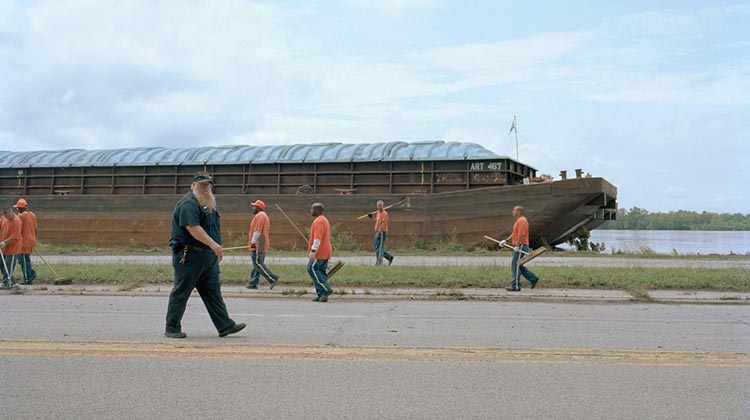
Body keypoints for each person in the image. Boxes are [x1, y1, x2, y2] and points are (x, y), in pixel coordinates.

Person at [164, 173, 246, 338]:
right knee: (181, 292)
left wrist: (214, 250)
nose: (205, 187)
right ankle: (172, 327)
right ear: (193, 185)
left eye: (208, 185)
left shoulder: (208, 204)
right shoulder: (188, 204)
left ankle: (225, 325)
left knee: (213, 292)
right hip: (190, 257)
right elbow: (193, 228)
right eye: (202, 185)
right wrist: (214, 245)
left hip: (208, 258)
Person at [498, 206, 539, 291]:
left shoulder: (522, 221)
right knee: (518, 265)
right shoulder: (519, 221)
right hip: (519, 245)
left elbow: (521, 234)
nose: (512, 211)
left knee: (515, 265)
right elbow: (515, 234)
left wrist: (517, 244)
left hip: (521, 245)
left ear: (519, 211)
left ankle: (515, 286)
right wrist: (506, 240)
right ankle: (533, 278)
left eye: (514, 210)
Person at [246, 199, 279, 289]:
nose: (253, 208)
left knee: (257, 262)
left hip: (259, 242)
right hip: (262, 241)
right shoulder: (263, 215)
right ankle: (253, 283)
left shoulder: (260, 216)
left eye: (254, 206)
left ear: (258, 208)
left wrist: (253, 242)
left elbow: (257, 230)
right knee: (257, 264)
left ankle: (272, 278)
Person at [307, 202, 333, 302]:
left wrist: (313, 251)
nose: (311, 211)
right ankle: (321, 294)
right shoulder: (324, 220)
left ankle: (326, 289)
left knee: (311, 269)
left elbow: (317, 238)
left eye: (312, 209)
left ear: (317, 211)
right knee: (320, 272)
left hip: (319, 252)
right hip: (325, 251)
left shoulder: (318, 221)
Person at [15, 199, 37, 284]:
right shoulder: (33, 215)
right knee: (26, 259)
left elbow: (18, 229)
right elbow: (35, 229)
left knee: (22, 260)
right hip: (31, 239)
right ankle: (31, 273)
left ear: (20, 208)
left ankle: (28, 278)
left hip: (24, 241)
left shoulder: (20, 217)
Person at [0, 207, 23, 289]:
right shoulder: (3, 218)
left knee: (8, 265)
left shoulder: (17, 221)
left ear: (11, 211)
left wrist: (4, 242)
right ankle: (11, 282)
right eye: (5, 214)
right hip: (3, 248)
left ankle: (6, 283)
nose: (6, 217)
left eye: (7, 214)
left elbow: (15, 237)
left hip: (13, 248)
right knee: (2, 265)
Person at [369, 200, 394, 265]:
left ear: (383, 206)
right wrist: (371, 217)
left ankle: (379, 262)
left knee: (379, 248)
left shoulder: (385, 214)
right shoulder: (378, 212)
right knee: (376, 247)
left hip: (382, 232)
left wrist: (380, 233)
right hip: (377, 231)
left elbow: (383, 224)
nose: (379, 207)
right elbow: (377, 221)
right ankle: (389, 257)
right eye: (378, 206)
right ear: (377, 206)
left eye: (380, 206)